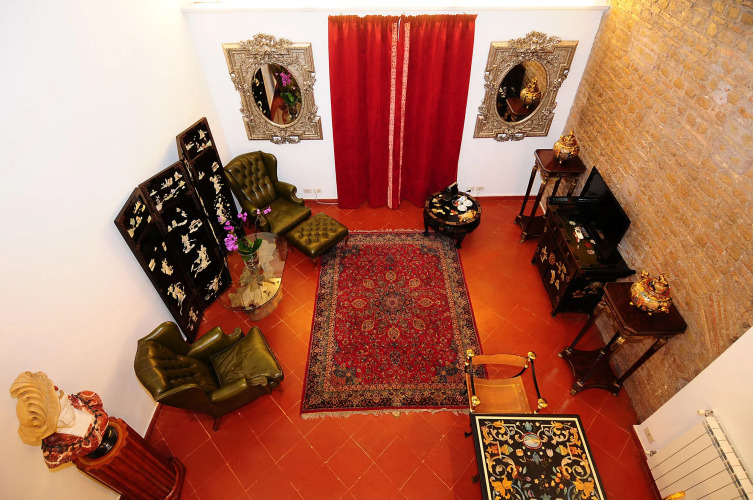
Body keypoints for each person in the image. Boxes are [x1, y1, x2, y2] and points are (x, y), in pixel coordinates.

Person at [9, 371, 109, 469]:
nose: (64, 403)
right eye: (57, 414)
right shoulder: (56, 453)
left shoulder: (86, 399)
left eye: (59, 396)